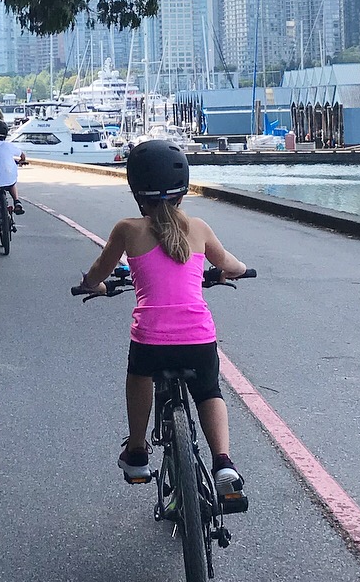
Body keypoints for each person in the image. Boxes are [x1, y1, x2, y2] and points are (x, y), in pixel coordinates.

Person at [75, 140, 248, 497]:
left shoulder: (127, 229)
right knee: (209, 391)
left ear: (136, 192)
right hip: (197, 339)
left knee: (139, 376)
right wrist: (236, 271)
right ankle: (223, 463)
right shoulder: (198, 227)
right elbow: (232, 265)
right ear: (183, 190)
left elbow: (98, 272)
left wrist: (93, 285)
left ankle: (138, 451)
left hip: (151, 341)